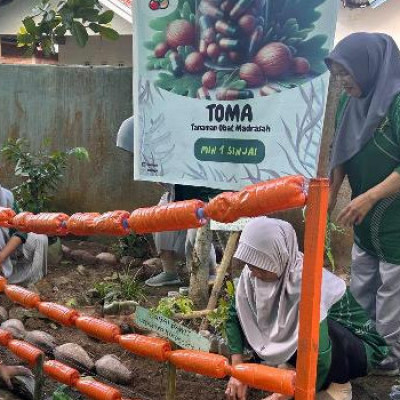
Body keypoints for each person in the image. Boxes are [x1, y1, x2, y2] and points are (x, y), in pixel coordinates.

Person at [225, 217, 387, 400]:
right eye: (250, 265)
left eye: (261, 266)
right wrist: (238, 371)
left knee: (314, 326)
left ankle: (339, 385)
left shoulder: (308, 282)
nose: (254, 273)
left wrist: (287, 394)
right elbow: (234, 314)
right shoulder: (253, 275)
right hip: (317, 346)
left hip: (358, 349)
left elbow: (322, 353)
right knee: (267, 319)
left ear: (281, 257)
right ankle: (294, 367)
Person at [326, 32, 400, 375]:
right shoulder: (348, 102)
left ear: (367, 67)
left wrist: (369, 196)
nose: (342, 81)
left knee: (391, 285)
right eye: (337, 74)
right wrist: (330, 192)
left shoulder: (397, 102)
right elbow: (340, 151)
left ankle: (389, 354)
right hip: (364, 215)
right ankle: (362, 343)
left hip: (393, 212)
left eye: (346, 73)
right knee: (362, 277)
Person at [116, 117, 219, 287]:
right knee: (160, 217)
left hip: (200, 196)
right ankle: (169, 272)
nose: (133, 156)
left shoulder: (173, 146)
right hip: (176, 194)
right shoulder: (151, 157)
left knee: (197, 234)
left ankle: (210, 275)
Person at [0, 184, 48, 287]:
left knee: (39, 238)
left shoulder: (7, 196)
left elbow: (22, 229)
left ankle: (20, 279)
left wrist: (2, 256)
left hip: (5, 247)